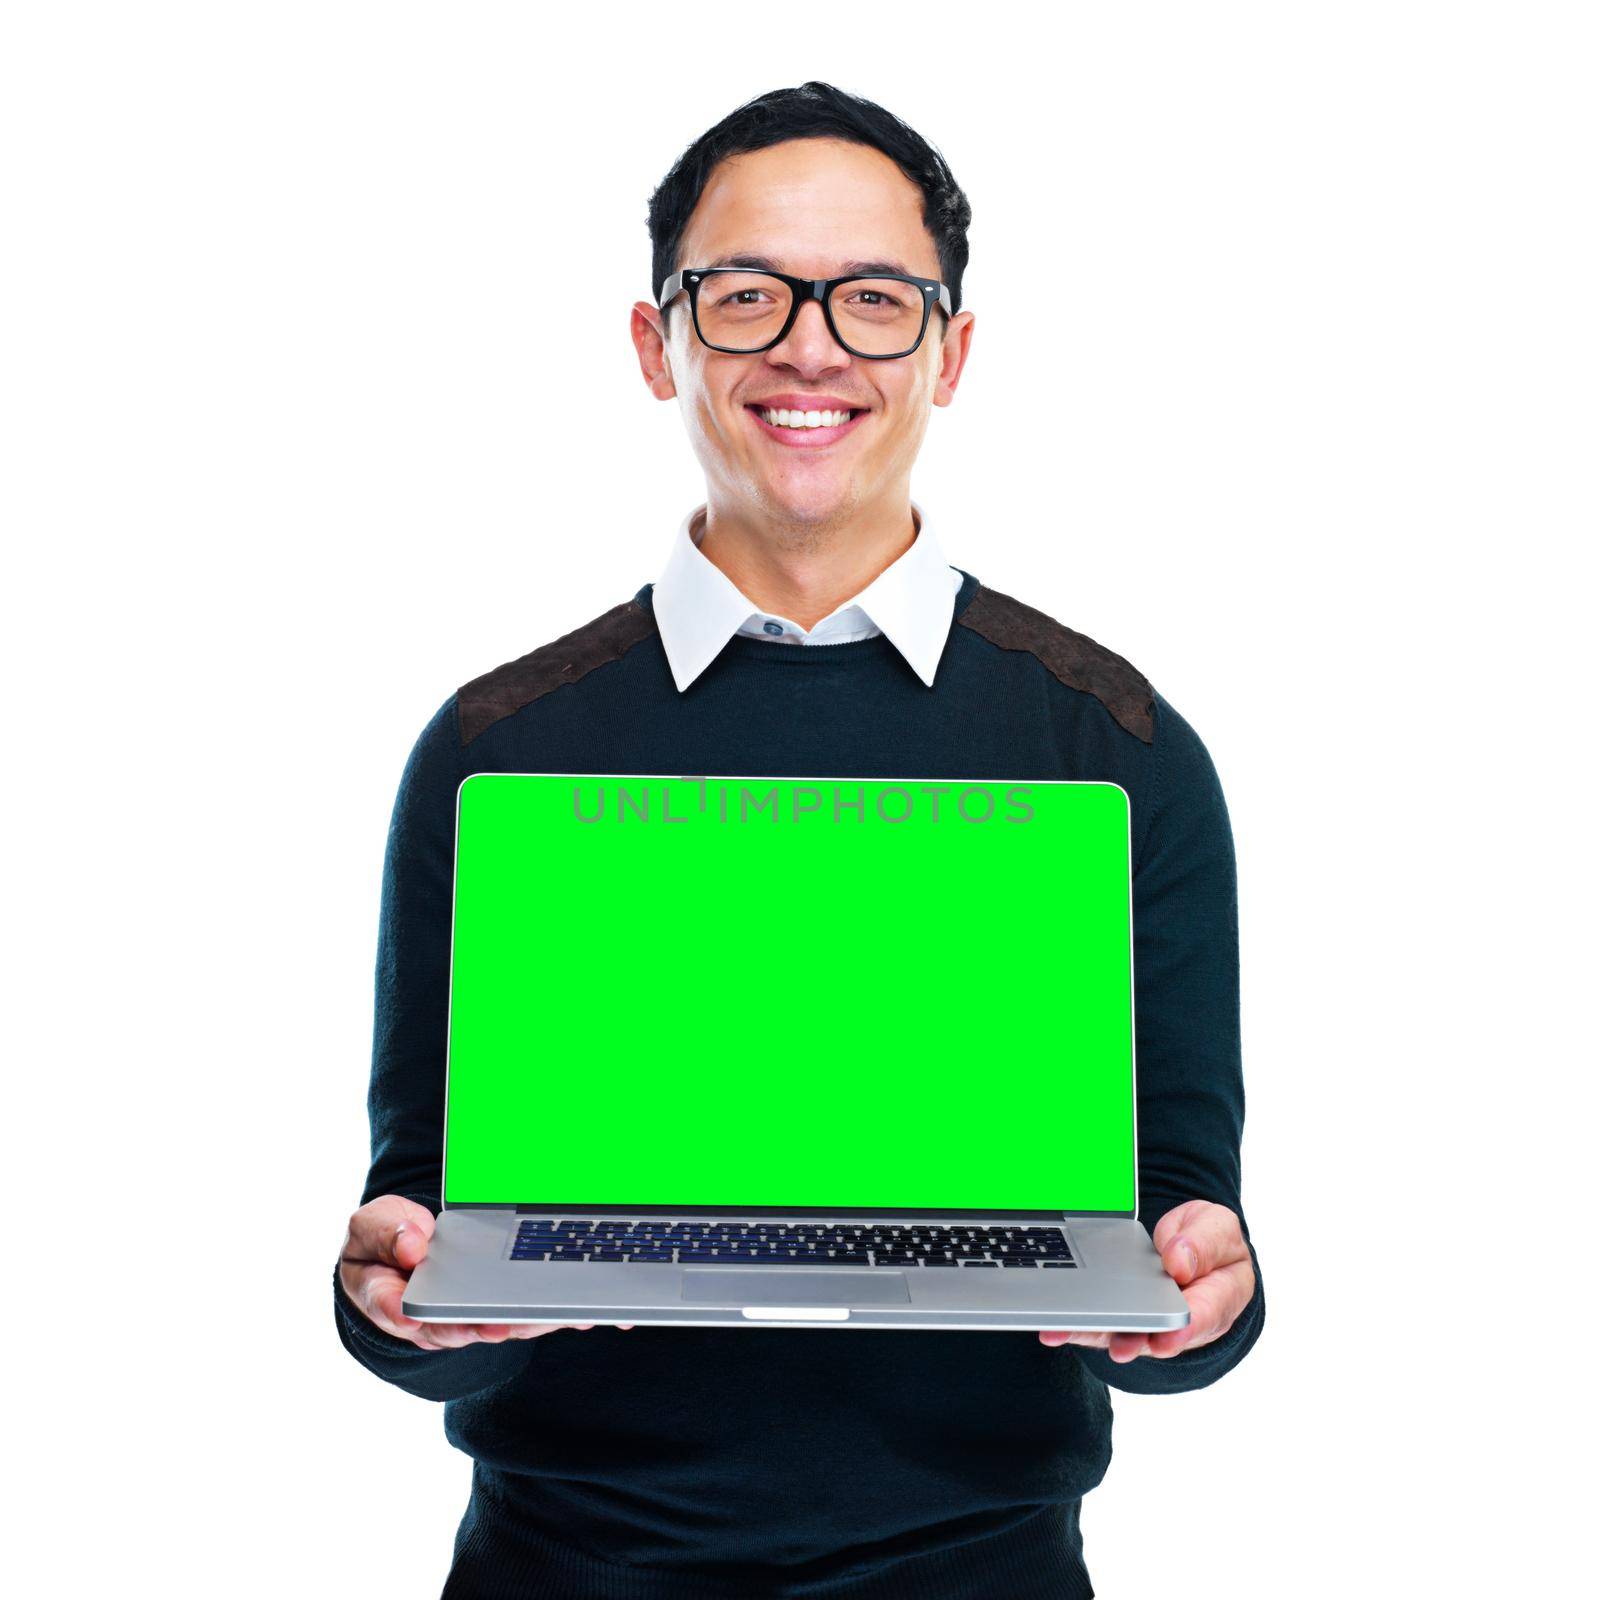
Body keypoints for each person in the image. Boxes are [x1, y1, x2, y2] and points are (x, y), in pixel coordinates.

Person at [333, 80, 1265, 1600]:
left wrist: (1204, 1300)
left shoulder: (1115, 751)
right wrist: (391, 1297)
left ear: (953, 351)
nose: (811, 345)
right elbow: (430, 1222)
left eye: (876, 300)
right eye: (747, 294)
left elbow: (1176, 1226)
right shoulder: (500, 751)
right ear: (659, 344)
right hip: (565, 1568)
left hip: (985, 1572)